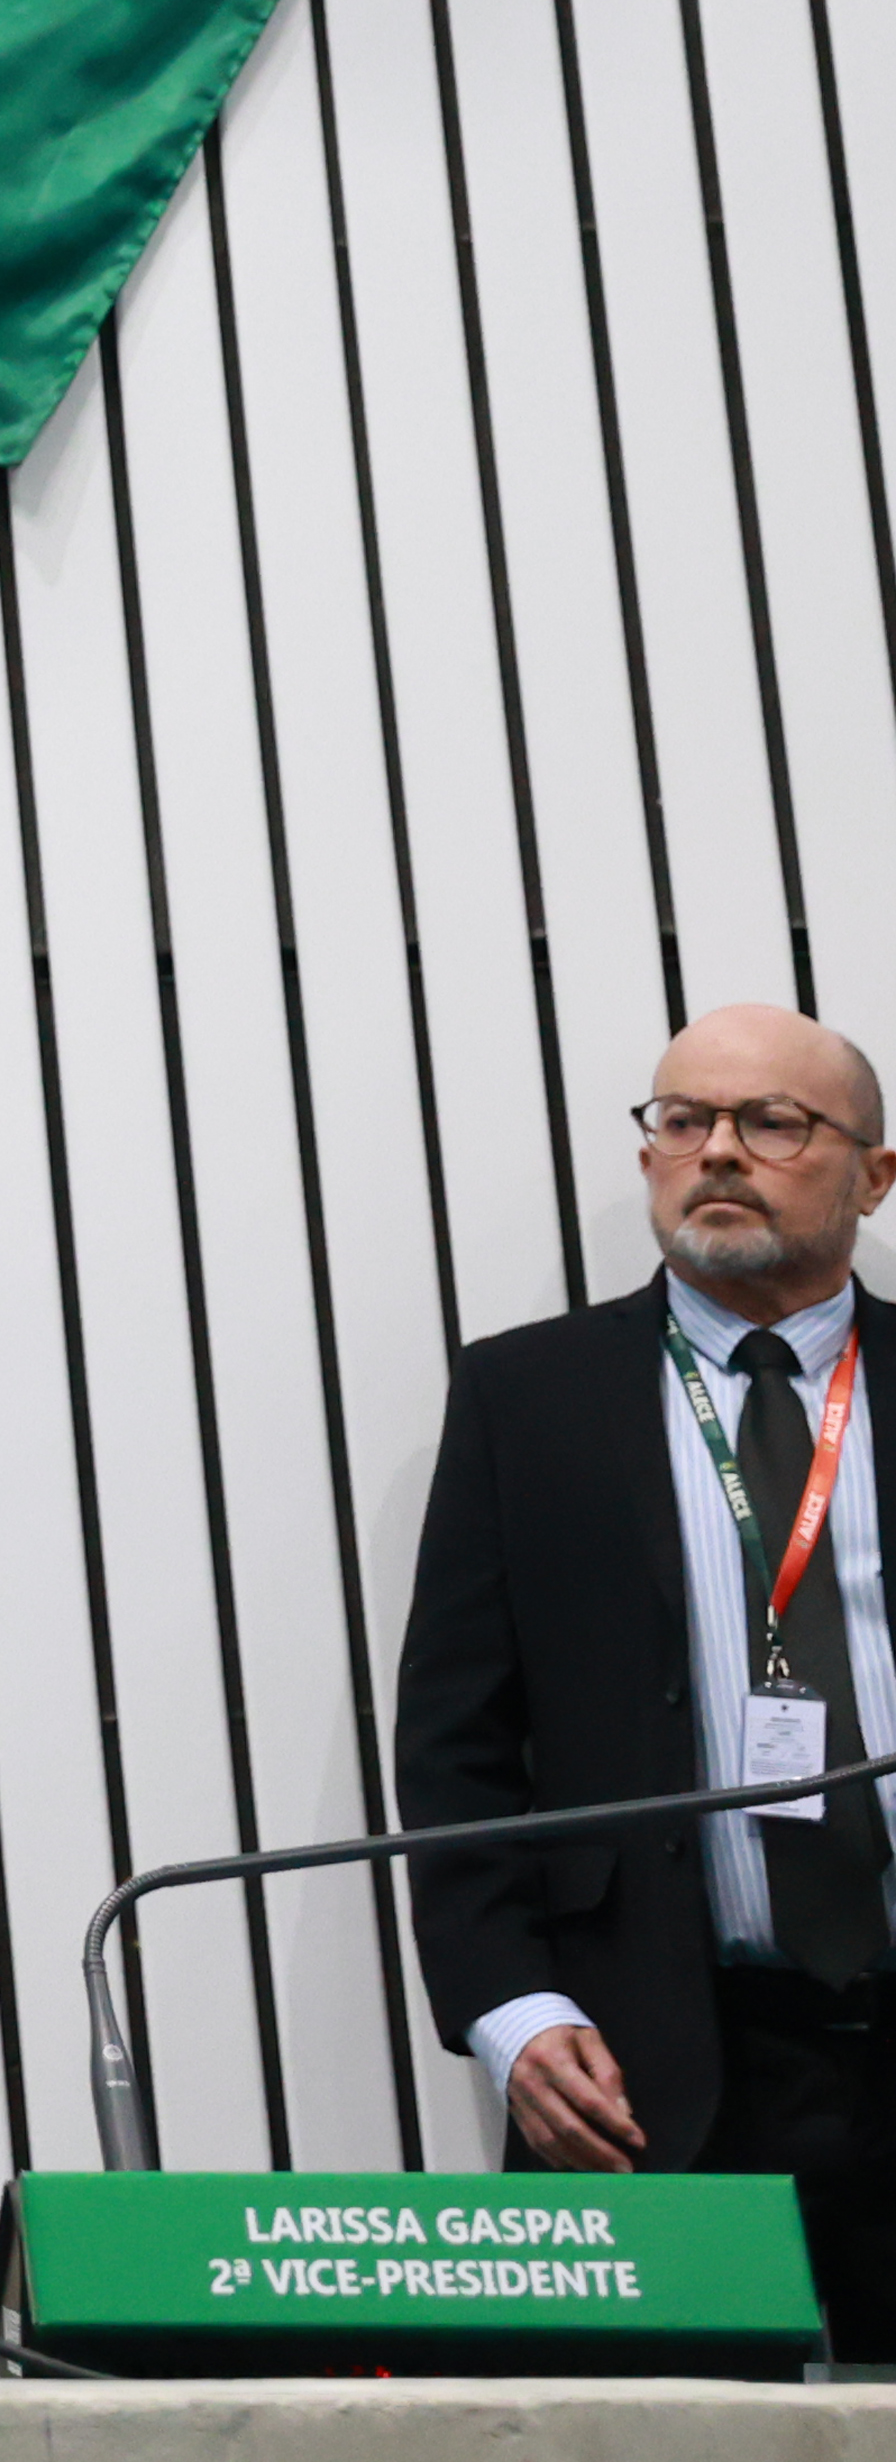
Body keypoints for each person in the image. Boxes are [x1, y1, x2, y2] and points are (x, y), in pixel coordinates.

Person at [395, 1000, 896, 2350]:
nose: (718, 1151)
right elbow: (457, 1748)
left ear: (873, 1173)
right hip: (651, 2070)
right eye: (686, 1121)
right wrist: (510, 2007)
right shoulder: (532, 1399)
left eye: (771, 1123)